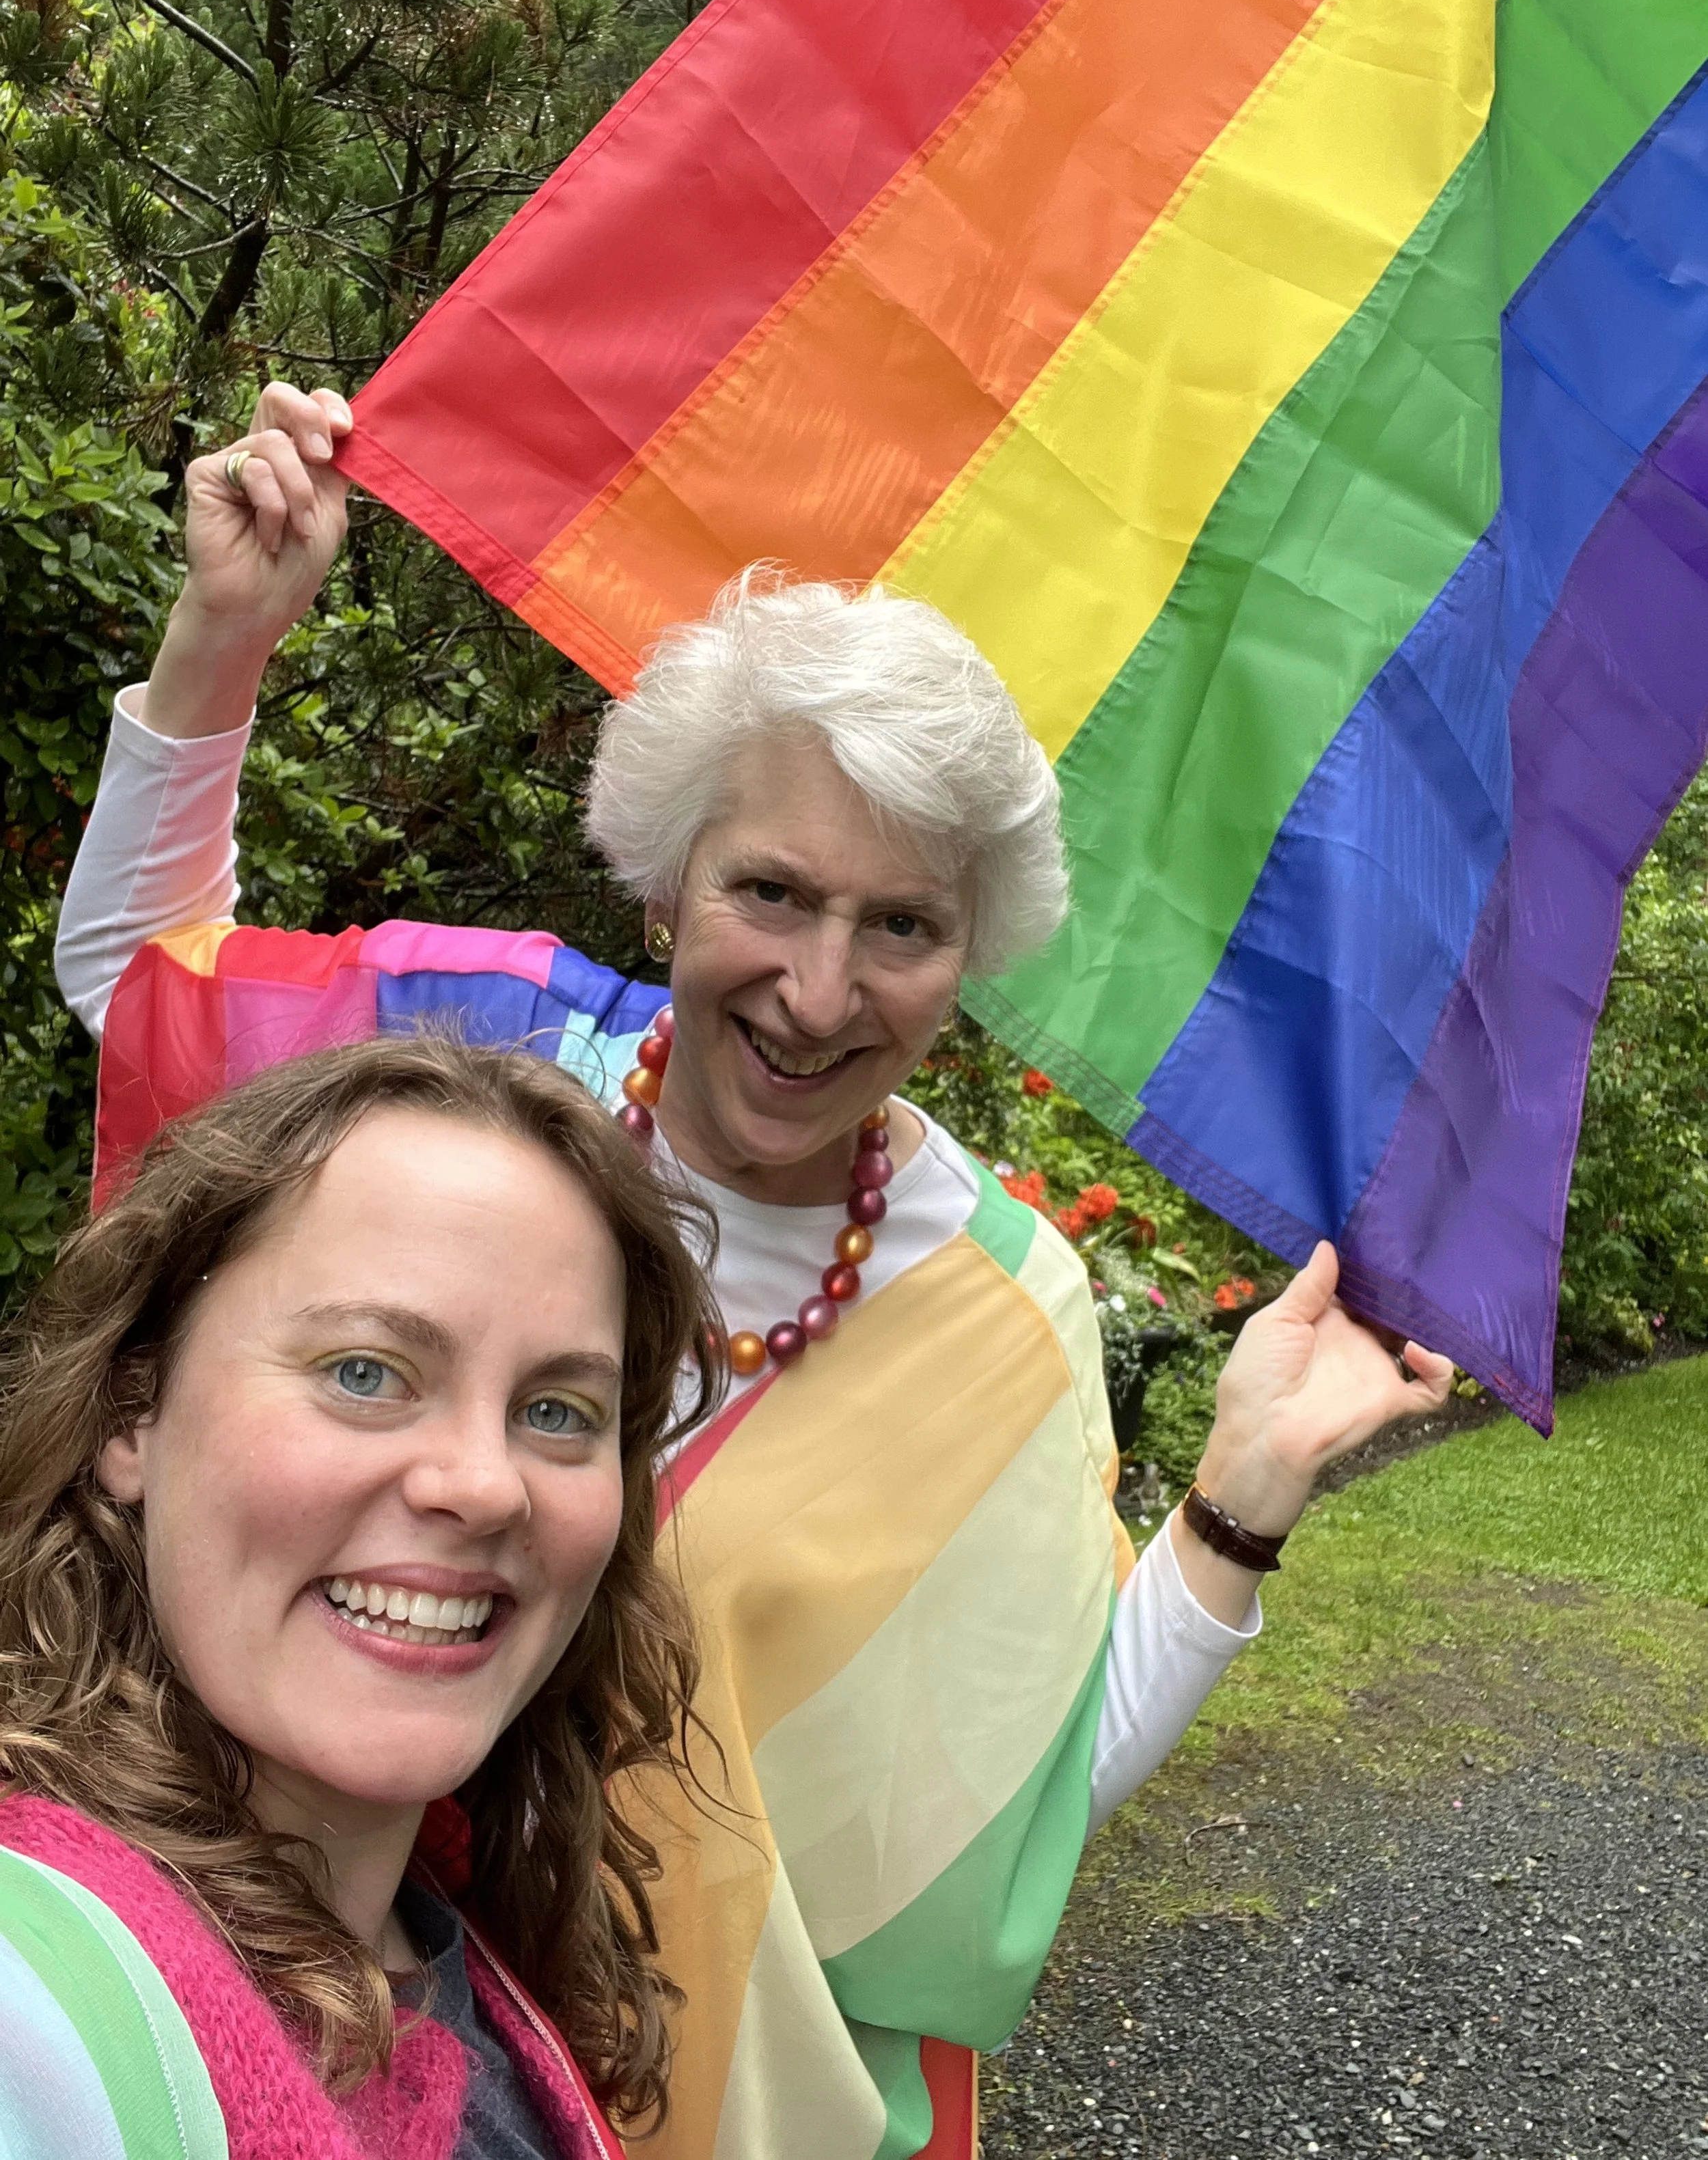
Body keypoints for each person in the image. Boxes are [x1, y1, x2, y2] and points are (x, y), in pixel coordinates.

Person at [55, 383, 1455, 2160]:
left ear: (967, 958)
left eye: (901, 926)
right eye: (772, 892)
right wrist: (225, 634)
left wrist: (1240, 1498)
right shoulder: (470, 1067)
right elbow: (144, 986)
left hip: (709, 2091)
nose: (817, 989)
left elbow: (1000, 1801)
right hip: (283, 1991)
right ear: (668, 884)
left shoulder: (1001, 1307)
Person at [0, 1031, 721, 2159]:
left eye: (556, 1412)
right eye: (365, 1373)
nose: (485, 1485)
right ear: (132, 1410)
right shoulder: (32, 2013)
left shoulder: (461, 1928)